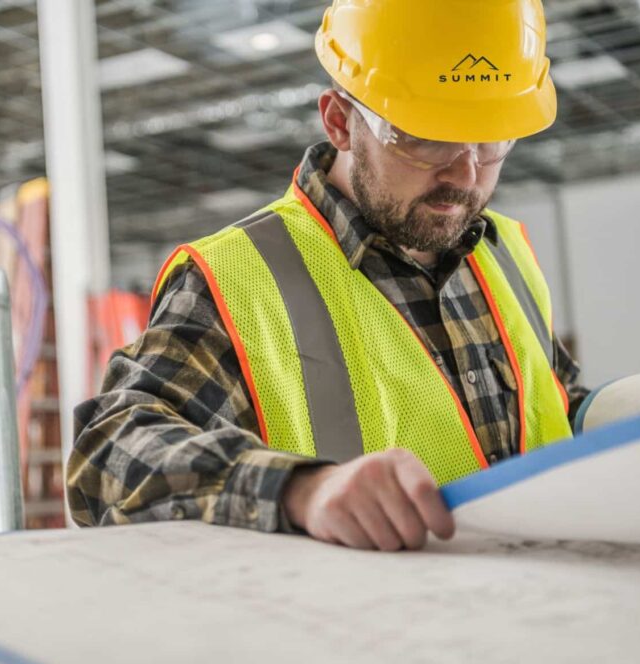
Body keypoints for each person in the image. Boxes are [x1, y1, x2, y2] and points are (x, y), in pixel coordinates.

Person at [68, 0, 588, 551]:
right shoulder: (234, 277)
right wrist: (301, 490)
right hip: (359, 627)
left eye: (491, 137)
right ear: (340, 121)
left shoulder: (503, 251)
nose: (464, 173)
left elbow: (550, 406)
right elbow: (108, 454)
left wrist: (625, 411)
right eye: (426, 136)